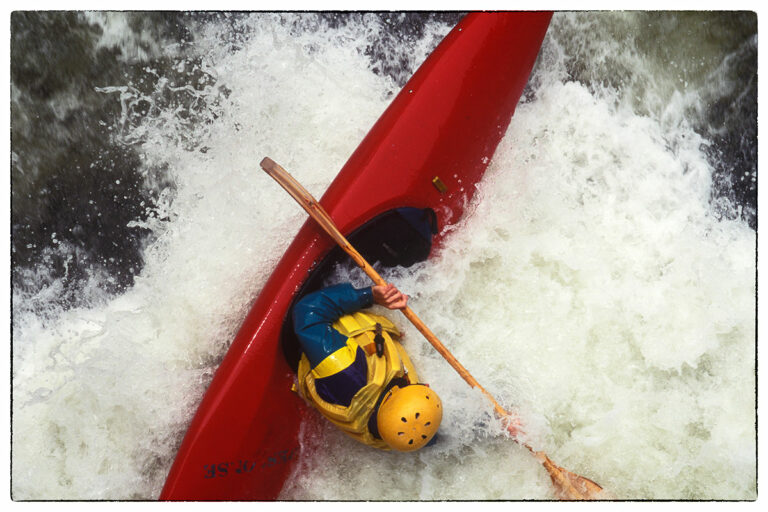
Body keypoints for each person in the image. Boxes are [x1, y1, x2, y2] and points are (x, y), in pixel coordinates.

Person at [292, 282, 442, 452]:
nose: (426, 385)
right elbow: (422, 430)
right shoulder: (397, 437)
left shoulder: (344, 369)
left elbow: (307, 311)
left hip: (326, 347)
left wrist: (369, 296)